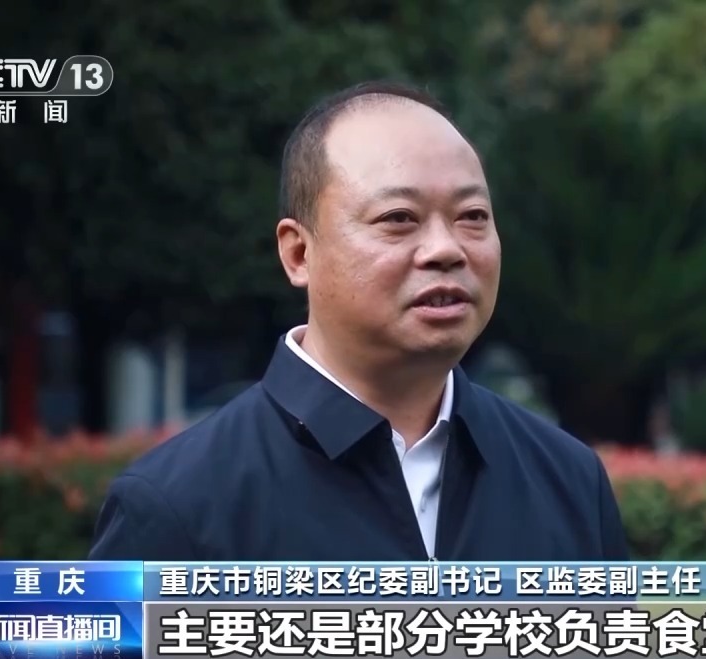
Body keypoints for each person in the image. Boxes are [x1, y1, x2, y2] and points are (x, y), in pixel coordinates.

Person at [88, 81, 629, 561]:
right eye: (398, 218)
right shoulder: (177, 505)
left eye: (472, 217)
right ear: (299, 253)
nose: (446, 249)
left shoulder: (569, 481)